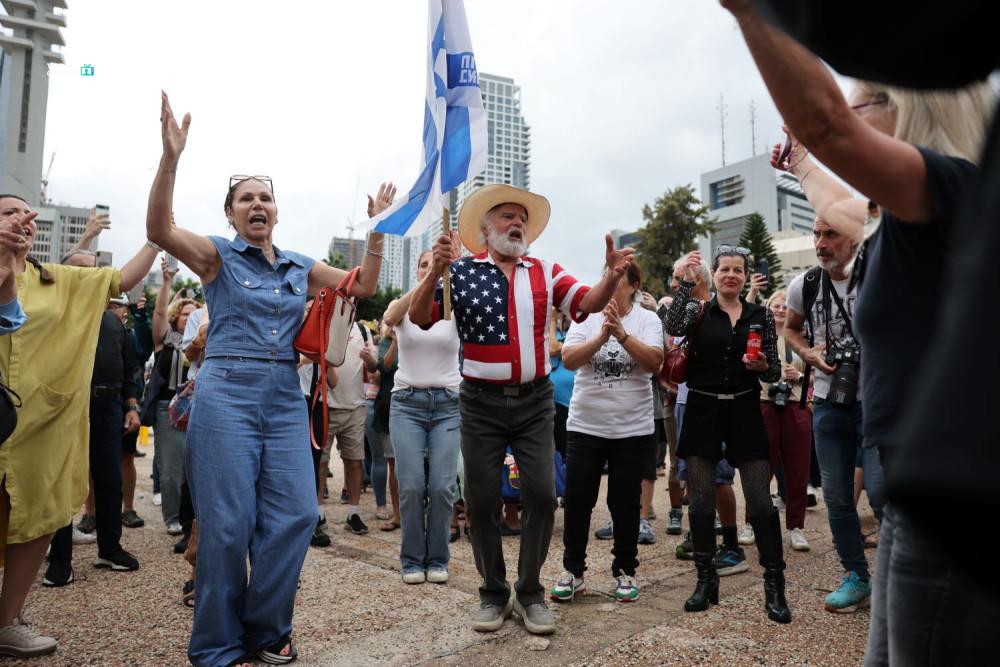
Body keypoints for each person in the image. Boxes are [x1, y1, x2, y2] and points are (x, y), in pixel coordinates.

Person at [722, 1, 998, 659]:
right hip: (910, 489)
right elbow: (837, 200)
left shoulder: (953, 190)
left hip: (946, 500)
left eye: (863, 103)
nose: (852, 113)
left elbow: (828, 124)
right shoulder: (912, 217)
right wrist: (801, 163)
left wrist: (751, 12)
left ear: (910, 110)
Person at [146, 92, 389, 667]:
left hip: (283, 396)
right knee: (227, 528)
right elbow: (159, 228)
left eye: (265, 197)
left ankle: (265, 628)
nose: (257, 204)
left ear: (276, 212)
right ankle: (216, 645)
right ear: (231, 214)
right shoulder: (217, 257)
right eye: (245, 198)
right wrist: (171, 159)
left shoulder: (300, 265)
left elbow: (363, 286)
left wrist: (377, 231)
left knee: (299, 515)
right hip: (225, 392)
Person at [409, 183, 635, 636]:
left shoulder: (545, 271)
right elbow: (419, 315)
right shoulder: (461, 271)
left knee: (541, 495)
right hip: (479, 403)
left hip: (534, 400)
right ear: (486, 228)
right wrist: (434, 271)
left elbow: (587, 304)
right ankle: (493, 592)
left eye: (522, 218)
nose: (517, 224)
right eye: (507, 216)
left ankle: (530, 591)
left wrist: (611, 276)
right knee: (481, 500)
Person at [0, 194, 155, 659]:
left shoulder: (58, 280)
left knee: (39, 518)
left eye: (26, 213)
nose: (21, 219)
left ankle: (7, 621)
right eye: (8, 212)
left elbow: (121, 278)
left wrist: (157, 237)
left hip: (43, 425)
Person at [665, 247, 789, 624]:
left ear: (745, 276)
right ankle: (706, 580)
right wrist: (686, 284)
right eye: (725, 269)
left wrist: (764, 365)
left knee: (761, 501)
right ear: (714, 275)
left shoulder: (760, 315)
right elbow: (673, 326)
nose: (731, 275)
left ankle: (774, 584)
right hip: (702, 407)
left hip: (744, 408)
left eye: (738, 270)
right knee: (701, 500)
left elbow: (773, 371)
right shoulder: (698, 309)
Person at [549, 263, 662, 605]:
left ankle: (625, 570)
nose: (610, 285)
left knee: (624, 503)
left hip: (632, 428)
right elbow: (569, 359)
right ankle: (573, 571)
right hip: (586, 426)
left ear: (634, 285)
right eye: (606, 278)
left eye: (618, 279)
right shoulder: (585, 318)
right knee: (578, 501)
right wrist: (602, 336)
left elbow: (655, 362)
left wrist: (623, 335)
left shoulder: (648, 320)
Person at [42, 271, 143, 587]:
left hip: (108, 408)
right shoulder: (55, 315)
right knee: (61, 481)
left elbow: (129, 367)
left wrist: (131, 406)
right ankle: (60, 559)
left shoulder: (113, 322)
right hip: (67, 407)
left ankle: (110, 549)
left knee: (110, 479)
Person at [382, 249, 462, 584]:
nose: (431, 268)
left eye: (436, 264)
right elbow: (389, 318)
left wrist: (449, 273)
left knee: (442, 487)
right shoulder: (402, 306)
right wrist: (430, 278)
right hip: (407, 403)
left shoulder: (454, 307)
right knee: (412, 486)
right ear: (417, 271)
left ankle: (438, 558)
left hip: (448, 403)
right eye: (424, 265)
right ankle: (413, 559)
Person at [663, 256, 744, 577]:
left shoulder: (716, 310)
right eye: (674, 278)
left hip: (714, 403)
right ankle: (701, 534)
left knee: (719, 475)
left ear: (695, 280)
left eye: (679, 277)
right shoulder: (686, 310)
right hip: (686, 401)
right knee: (692, 474)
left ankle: (732, 545)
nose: (673, 284)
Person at [753, 290, 811, 552]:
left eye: (785, 306)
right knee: (759, 469)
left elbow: (819, 374)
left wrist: (799, 376)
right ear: (767, 308)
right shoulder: (758, 337)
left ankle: (796, 527)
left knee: (798, 470)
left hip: (796, 405)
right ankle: (751, 522)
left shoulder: (803, 338)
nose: (780, 309)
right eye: (775, 305)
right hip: (764, 404)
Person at [147, 259, 198, 537]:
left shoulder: (203, 340)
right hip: (169, 408)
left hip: (199, 407)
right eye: (185, 313)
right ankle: (173, 517)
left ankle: (194, 516)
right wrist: (167, 281)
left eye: (194, 314)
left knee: (195, 466)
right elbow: (158, 312)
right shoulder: (165, 339)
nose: (189, 317)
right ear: (176, 316)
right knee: (170, 467)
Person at [361, 323, 401, 532]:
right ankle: (394, 511)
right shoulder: (386, 341)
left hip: (413, 405)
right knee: (389, 462)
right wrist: (395, 341)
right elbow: (384, 367)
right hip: (387, 407)